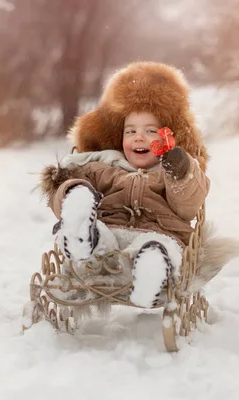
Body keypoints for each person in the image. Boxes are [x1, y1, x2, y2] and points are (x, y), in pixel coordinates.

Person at [39, 61, 212, 308]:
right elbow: (60, 186)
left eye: (150, 131)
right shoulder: (103, 165)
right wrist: (74, 191)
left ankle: (150, 275)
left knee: (162, 248)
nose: (138, 137)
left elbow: (187, 206)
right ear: (118, 138)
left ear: (168, 137)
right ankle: (83, 237)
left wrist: (179, 171)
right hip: (110, 232)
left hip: (159, 233)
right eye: (130, 131)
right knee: (96, 230)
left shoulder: (169, 172)